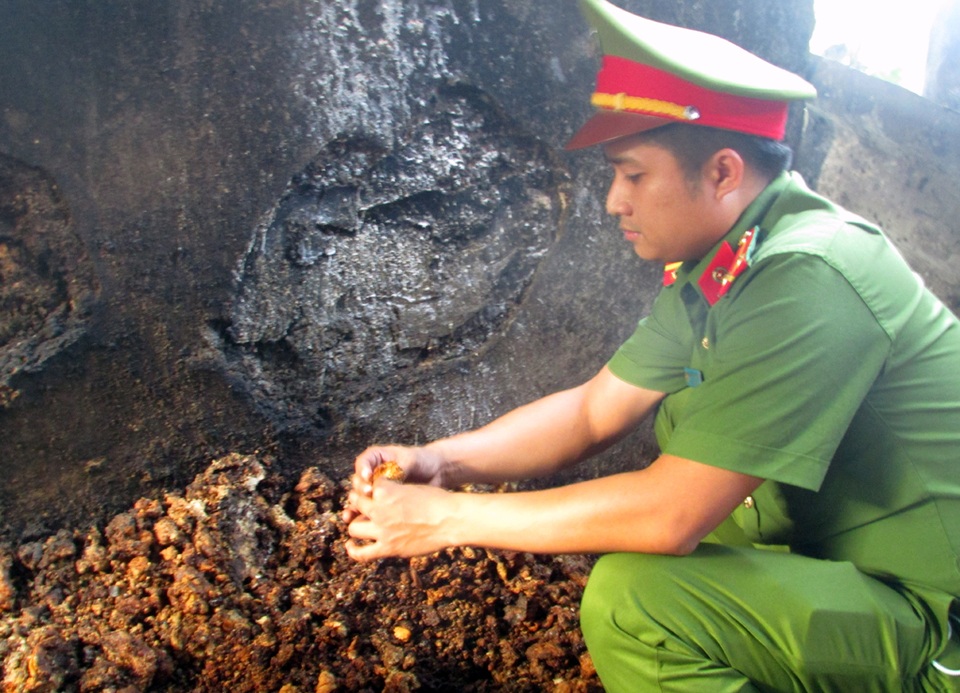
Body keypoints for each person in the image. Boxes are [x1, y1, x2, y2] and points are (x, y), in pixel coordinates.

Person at [344, 0, 960, 689]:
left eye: (633, 174)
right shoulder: (729, 261)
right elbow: (592, 412)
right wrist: (443, 461)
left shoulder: (807, 275)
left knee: (634, 602)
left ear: (724, 173)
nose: (613, 200)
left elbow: (670, 514)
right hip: (848, 567)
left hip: (937, 620)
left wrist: (448, 520)